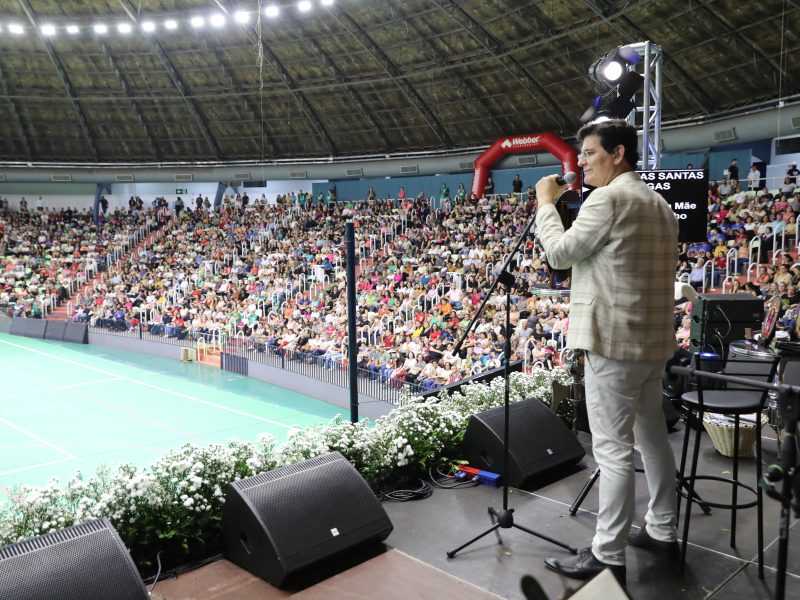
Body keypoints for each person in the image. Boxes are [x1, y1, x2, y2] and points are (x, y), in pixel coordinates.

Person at [535, 119, 679, 587]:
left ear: (618, 154)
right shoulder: (659, 204)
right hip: (652, 344)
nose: (581, 162)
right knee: (653, 438)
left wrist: (545, 205)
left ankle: (606, 554)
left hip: (613, 344)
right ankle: (661, 529)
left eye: (590, 153)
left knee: (613, 451)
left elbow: (559, 254)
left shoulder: (608, 198)